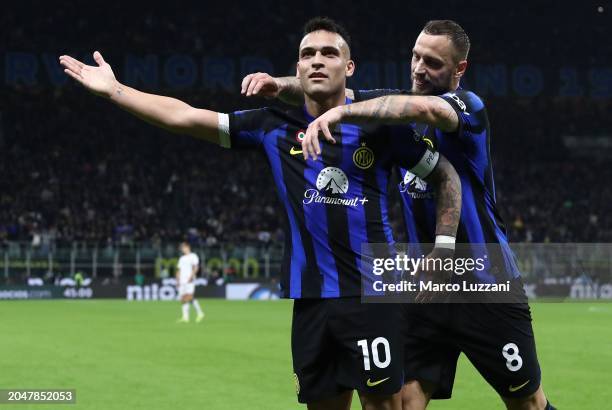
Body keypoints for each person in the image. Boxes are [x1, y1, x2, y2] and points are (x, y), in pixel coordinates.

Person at [59, 17, 461, 410]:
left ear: (349, 67)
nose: (317, 60)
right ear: (298, 68)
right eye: (307, 54)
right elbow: (184, 116)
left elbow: (445, 174)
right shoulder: (273, 125)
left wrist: (443, 247)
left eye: (328, 53)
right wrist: (115, 91)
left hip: (372, 296)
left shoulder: (379, 125)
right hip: (309, 301)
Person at [241, 19, 555, 410]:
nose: (420, 68)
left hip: (484, 281)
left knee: (527, 403)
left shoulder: (468, 108)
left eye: (434, 63)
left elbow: (424, 107)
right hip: (422, 285)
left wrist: (341, 115)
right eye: (416, 57)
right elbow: (337, 90)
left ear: (459, 70)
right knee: (402, 402)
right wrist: (280, 84)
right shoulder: (389, 113)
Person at [176, 241, 204, 323]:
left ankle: (200, 313)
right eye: (181, 248)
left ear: (188, 247)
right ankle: (185, 317)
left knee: (189, 297)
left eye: (183, 247)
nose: (182, 249)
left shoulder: (193, 256)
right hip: (182, 280)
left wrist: (191, 276)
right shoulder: (181, 258)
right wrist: (177, 280)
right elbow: (179, 270)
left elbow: (195, 267)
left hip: (189, 279)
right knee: (183, 299)